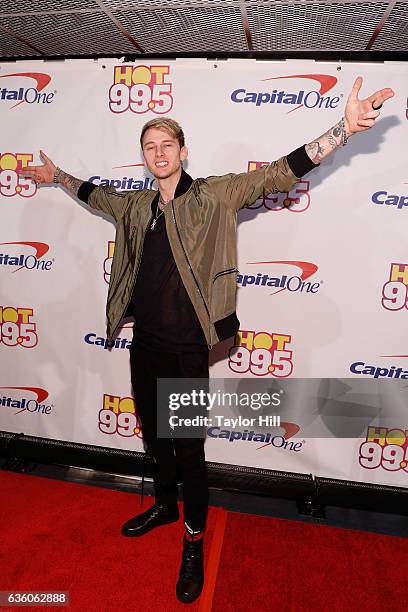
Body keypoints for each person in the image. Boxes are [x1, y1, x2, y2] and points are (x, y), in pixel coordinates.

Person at [22, 76, 394, 604]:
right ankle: (166, 505)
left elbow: (277, 172)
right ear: (144, 158)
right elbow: (93, 193)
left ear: (182, 150)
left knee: (189, 450)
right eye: (149, 148)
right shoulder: (135, 207)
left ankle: (192, 540)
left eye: (166, 145)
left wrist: (343, 129)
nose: (158, 153)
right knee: (154, 436)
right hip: (144, 343)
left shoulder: (216, 195)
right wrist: (56, 174)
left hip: (188, 347)